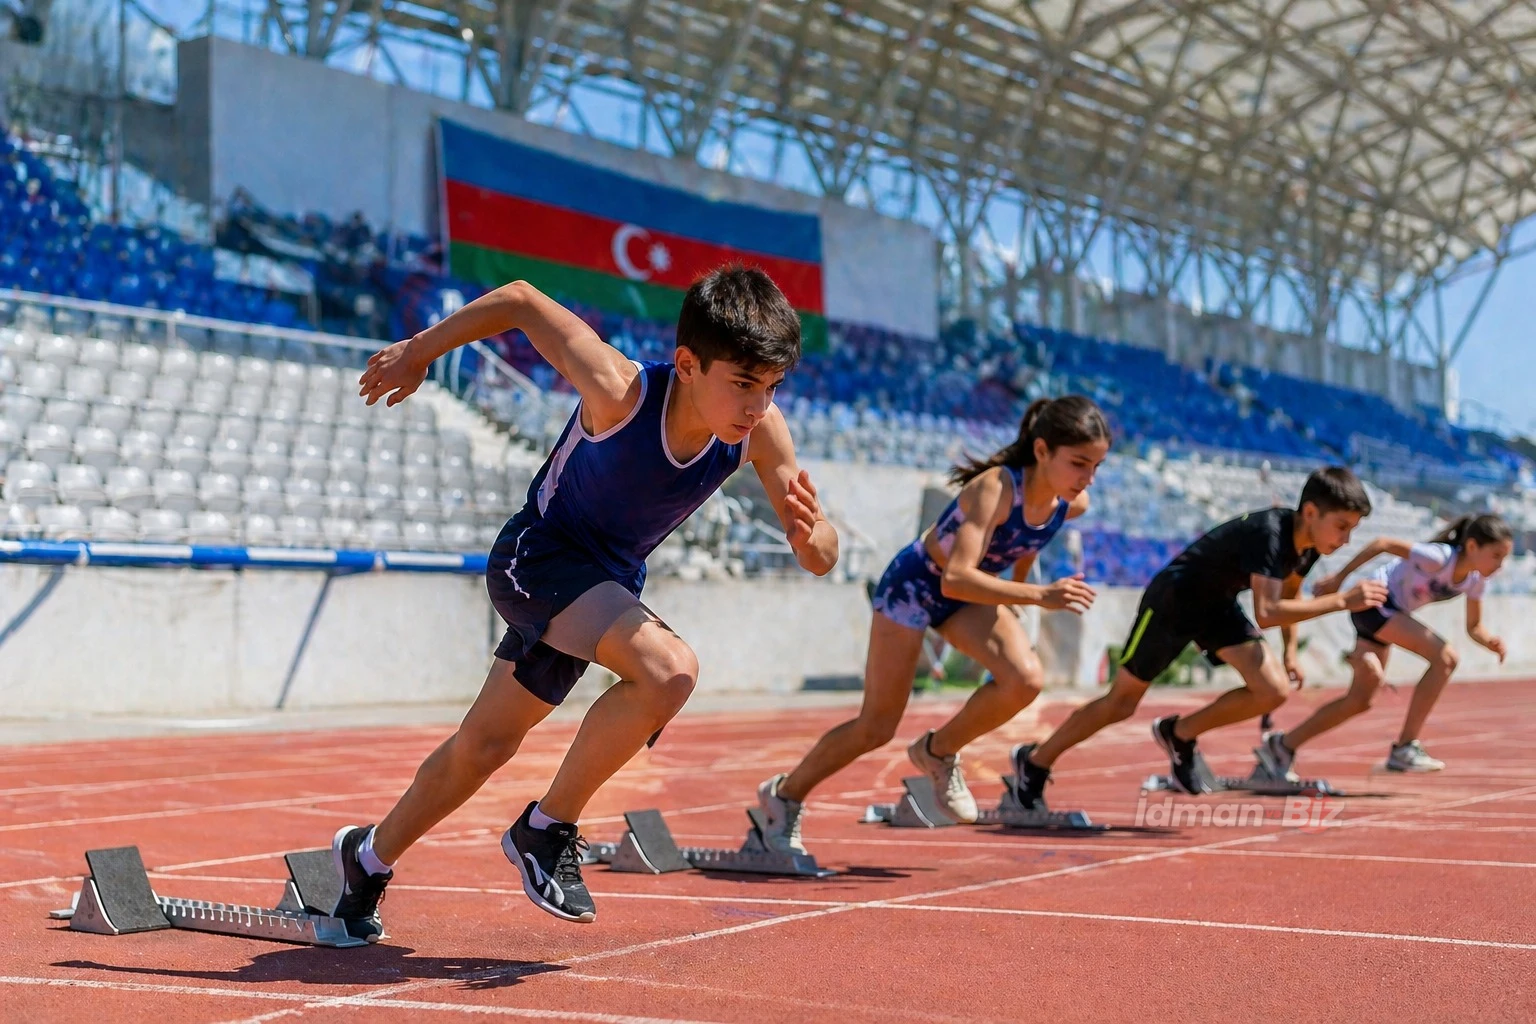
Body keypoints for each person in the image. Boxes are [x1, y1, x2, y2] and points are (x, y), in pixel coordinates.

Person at [328, 267, 839, 938]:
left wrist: (813, 536)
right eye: (742, 385)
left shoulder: (760, 431)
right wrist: (418, 350)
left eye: (771, 388)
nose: (756, 406)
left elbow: (821, 552)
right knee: (669, 669)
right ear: (688, 364)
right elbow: (518, 300)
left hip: (603, 588)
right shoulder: (620, 390)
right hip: (537, 560)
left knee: (484, 745)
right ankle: (545, 828)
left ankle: (366, 858)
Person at [756, 396, 1108, 852]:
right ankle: (783, 796)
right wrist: (1038, 596)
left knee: (1024, 679)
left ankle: (937, 752)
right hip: (917, 586)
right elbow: (958, 576)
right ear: (1041, 451)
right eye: (1079, 463)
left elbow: (1032, 536)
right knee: (876, 726)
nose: (1088, 478)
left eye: (1097, 466)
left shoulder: (1071, 503)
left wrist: (1020, 583)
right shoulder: (994, 489)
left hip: (966, 597)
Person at [1015, 466, 1386, 801]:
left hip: (1216, 605)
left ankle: (1179, 734)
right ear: (1310, 513)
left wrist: (1290, 653)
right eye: (1342, 527)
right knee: (1121, 703)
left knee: (1272, 689)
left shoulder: (1309, 546)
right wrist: (1342, 601)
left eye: (1352, 530)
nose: (1346, 540)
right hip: (1174, 601)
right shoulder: (1270, 534)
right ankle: (1034, 761)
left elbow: (1291, 593)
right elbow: (1269, 611)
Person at [1257, 513, 1512, 775]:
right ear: (1472, 546)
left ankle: (1282, 745)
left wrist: (1489, 642)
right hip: (1376, 602)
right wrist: (1339, 579)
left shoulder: (1475, 581)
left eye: (1504, 558)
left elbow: (1474, 627)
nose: (1500, 565)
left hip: (1387, 616)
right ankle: (1404, 747)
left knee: (1359, 700)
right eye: (1496, 556)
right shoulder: (1439, 557)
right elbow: (1382, 543)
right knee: (1445, 658)